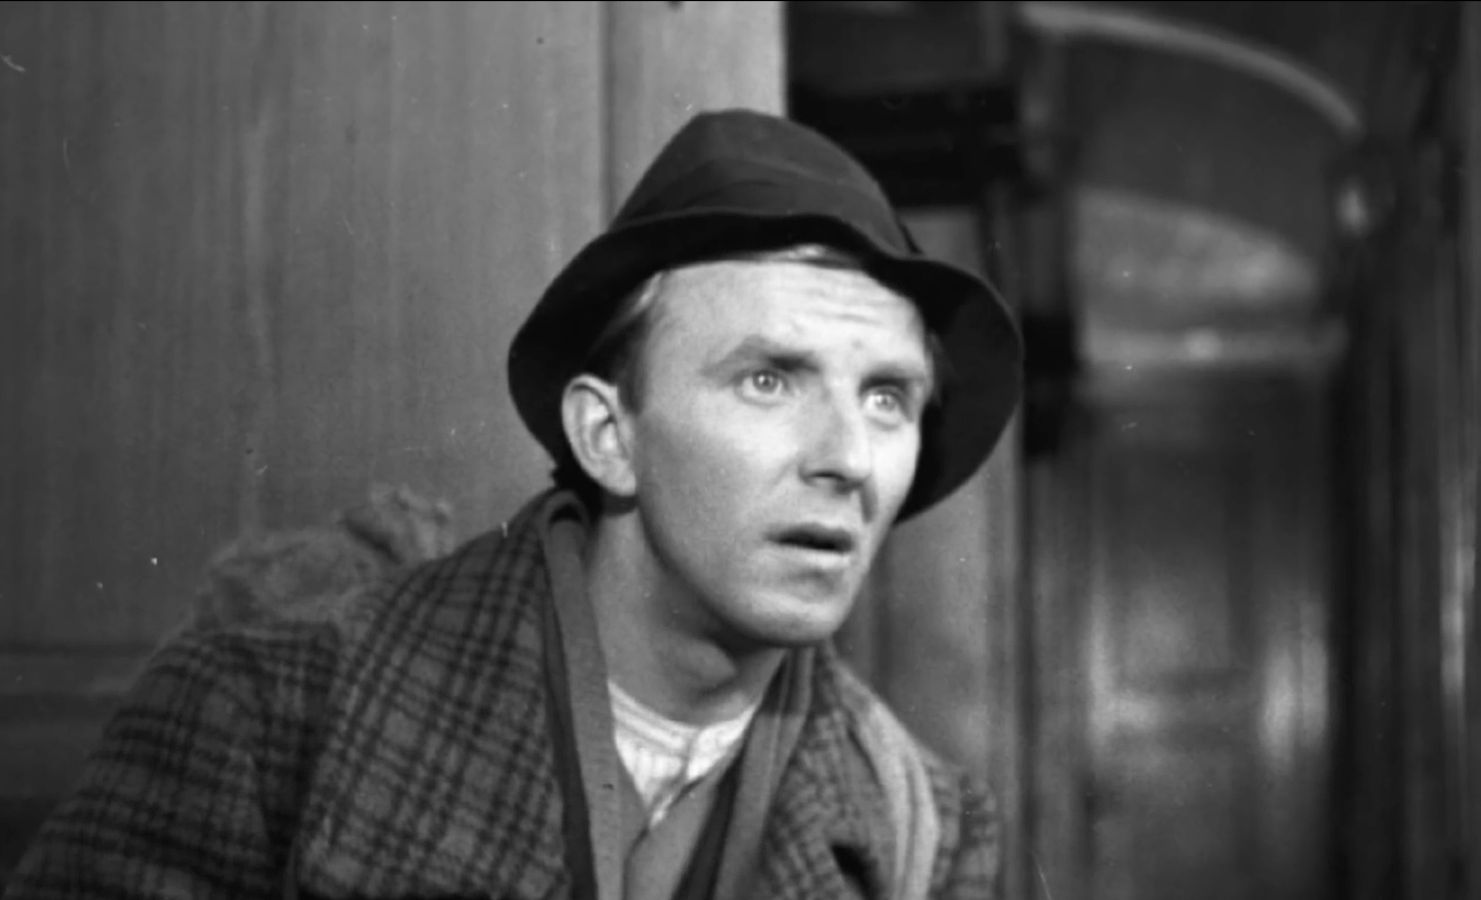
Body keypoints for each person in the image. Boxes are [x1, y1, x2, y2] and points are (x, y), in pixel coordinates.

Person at [4, 108, 1023, 900]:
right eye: (766, 379)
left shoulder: (930, 837)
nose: (847, 458)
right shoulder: (267, 717)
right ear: (606, 436)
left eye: (887, 398)